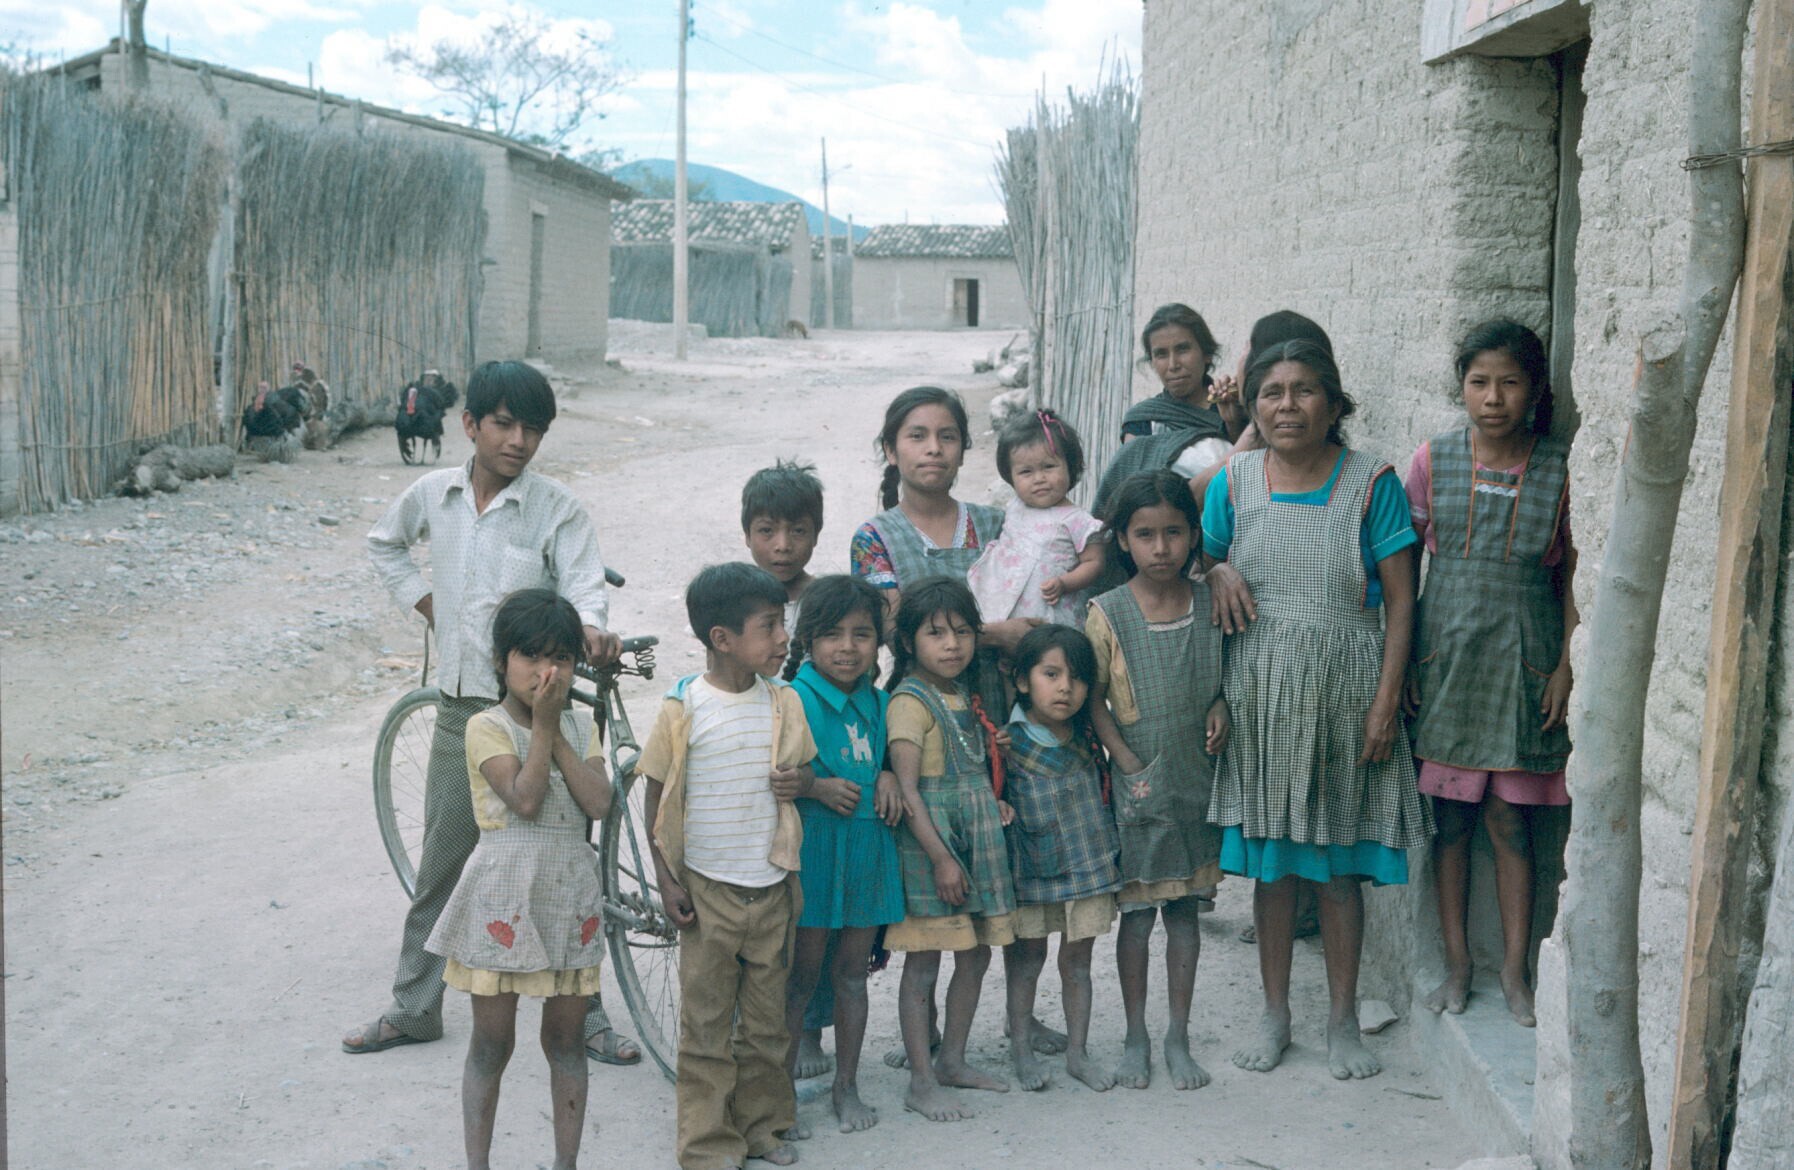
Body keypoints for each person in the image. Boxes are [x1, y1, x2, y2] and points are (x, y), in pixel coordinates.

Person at [348, 360, 636, 1066]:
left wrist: (591, 628)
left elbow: (583, 585)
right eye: (504, 424)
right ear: (470, 425)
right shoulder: (433, 494)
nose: (518, 441)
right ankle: (414, 1008)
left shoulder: (556, 509)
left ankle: (587, 1016)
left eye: (533, 429)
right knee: (444, 864)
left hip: (543, 713)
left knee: (566, 865)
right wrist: (432, 608)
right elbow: (385, 545)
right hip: (461, 713)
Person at [1203, 339, 1434, 1081]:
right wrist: (1217, 568)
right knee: (1274, 871)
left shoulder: (1372, 482)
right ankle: (1275, 1015)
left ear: (1334, 404)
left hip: (1346, 688)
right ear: (1253, 406)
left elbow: (1400, 601)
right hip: (1262, 691)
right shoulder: (1234, 481)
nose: (1287, 406)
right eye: (1271, 393)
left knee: (1336, 870)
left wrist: (1385, 704)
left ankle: (1342, 1022)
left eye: (1305, 391)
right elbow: (1197, 566)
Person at [1405, 319, 1574, 1028]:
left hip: (1524, 659)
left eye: (1509, 383)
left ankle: (1514, 971)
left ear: (1534, 389)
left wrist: (1566, 664)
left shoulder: (1560, 469)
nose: (1494, 398)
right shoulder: (1432, 461)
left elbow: (1573, 576)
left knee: (1509, 821)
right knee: (1450, 822)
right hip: (1446, 659)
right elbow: (1400, 571)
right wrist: (1403, 663)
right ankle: (1457, 966)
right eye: (1480, 383)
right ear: (1462, 388)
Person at [638, 562, 817, 1170]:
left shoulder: (783, 703)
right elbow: (656, 799)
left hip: (771, 888)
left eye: (782, 623)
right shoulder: (683, 708)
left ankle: (761, 1127)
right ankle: (708, 1145)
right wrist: (666, 880)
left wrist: (801, 782)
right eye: (769, 627)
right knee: (707, 1027)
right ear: (723, 638)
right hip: (708, 892)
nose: (784, 638)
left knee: (766, 1026)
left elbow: (805, 773)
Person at [425, 590, 613, 1170]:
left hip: (567, 896)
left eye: (560, 658)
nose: (546, 671)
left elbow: (599, 802)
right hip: (504, 897)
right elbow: (526, 800)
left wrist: (554, 728)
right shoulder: (486, 726)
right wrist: (545, 728)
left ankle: (566, 1164)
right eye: (530, 656)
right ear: (501, 660)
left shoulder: (580, 725)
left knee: (565, 1042)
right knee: (492, 1044)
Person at [1086, 471, 1228, 1091]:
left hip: (1195, 778)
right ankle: (1135, 1036)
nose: (1161, 547)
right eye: (1145, 535)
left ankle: (1178, 1036)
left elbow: (1227, 673)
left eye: (1174, 532)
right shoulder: (1108, 612)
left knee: (1186, 913)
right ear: (1123, 539)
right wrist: (1126, 761)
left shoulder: (1209, 602)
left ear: (1194, 535)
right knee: (1139, 918)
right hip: (1138, 783)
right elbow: (1092, 698)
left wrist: (1221, 705)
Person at [884, 578, 1017, 1121]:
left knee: (976, 952)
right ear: (908, 642)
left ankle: (953, 1060)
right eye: (935, 633)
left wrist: (993, 800)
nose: (952, 644)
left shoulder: (962, 693)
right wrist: (941, 859)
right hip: (933, 847)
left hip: (972, 837)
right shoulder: (909, 701)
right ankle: (921, 1080)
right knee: (923, 962)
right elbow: (909, 790)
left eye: (962, 632)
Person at [779, 576, 906, 1133]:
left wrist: (886, 772)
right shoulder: (791, 698)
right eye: (832, 634)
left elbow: (888, 758)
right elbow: (770, 773)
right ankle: (779, 1093)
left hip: (865, 853)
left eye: (862, 634)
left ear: (878, 641)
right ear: (807, 640)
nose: (848, 647)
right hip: (813, 855)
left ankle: (846, 1087)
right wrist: (814, 786)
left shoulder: (880, 703)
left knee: (853, 974)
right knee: (800, 979)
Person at [1000, 624, 1123, 1094]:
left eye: (1076, 678)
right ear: (1022, 680)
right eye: (1050, 674)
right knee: (1026, 960)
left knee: (1078, 963)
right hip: (1032, 872)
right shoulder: (1007, 742)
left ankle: (1078, 1053)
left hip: (1088, 868)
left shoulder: (1088, 735)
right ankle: (1021, 1049)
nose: (1065, 688)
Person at [1092, 304, 1240, 524]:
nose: (1173, 365)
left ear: (1207, 354)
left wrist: (1233, 422)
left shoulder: (1236, 407)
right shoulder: (1143, 421)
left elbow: (1250, 473)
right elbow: (1136, 494)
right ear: (1152, 362)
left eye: (1183, 349)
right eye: (1161, 354)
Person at [965, 409, 1106, 628]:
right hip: (1001, 596)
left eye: (1049, 467)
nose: (1039, 478)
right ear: (1010, 476)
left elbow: (1094, 562)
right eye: (1026, 472)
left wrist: (1064, 583)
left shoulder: (1077, 520)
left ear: (1070, 466)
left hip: (1046, 607)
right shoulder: (1016, 506)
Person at [743, 459, 825, 633]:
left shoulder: (829, 601)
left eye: (798, 531)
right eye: (766, 530)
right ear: (747, 535)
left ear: (815, 535)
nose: (783, 546)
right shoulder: (733, 602)